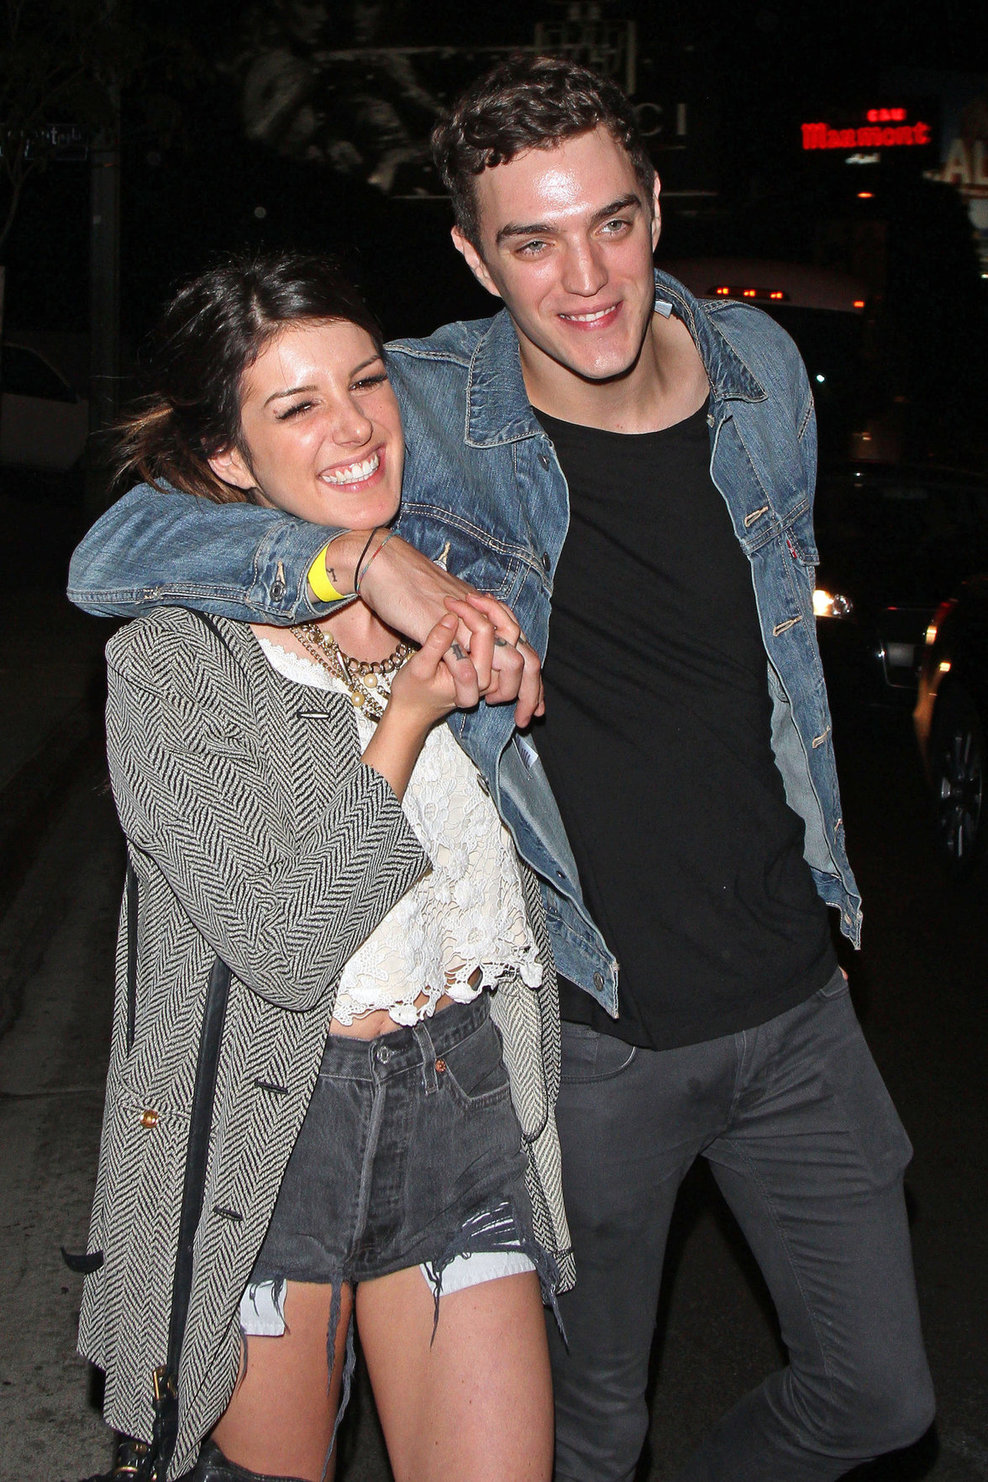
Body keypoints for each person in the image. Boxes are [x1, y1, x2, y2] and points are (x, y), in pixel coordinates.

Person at [69, 56, 935, 1482]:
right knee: (588, 1430)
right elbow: (124, 547)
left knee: (881, 1400)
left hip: (794, 996)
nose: (585, 278)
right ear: (476, 260)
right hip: (587, 1024)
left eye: (611, 223)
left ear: (655, 208)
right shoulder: (420, 401)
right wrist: (364, 558)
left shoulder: (761, 372)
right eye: (532, 242)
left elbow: (778, 669)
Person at [73, 249, 571, 1482]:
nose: (353, 428)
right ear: (227, 455)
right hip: (271, 1131)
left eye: (365, 382)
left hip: (463, 1102)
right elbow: (288, 944)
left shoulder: (460, 590)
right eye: (296, 406)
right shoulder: (172, 665)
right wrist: (405, 720)